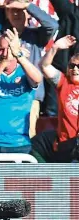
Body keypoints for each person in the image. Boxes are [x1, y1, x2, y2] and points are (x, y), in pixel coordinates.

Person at [0, 29, 43, 153]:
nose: (4, 53)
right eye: (1, 49)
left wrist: (18, 55)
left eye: (8, 48)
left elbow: (37, 79)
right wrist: (5, 60)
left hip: (18, 144)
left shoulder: (24, 72)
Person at [32, 35, 79, 163]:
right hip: (65, 145)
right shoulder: (64, 83)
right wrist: (55, 47)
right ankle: (43, 177)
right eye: (72, 66)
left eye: (78, 66)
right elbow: (44, 66)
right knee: (35, 143)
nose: (75, 69)